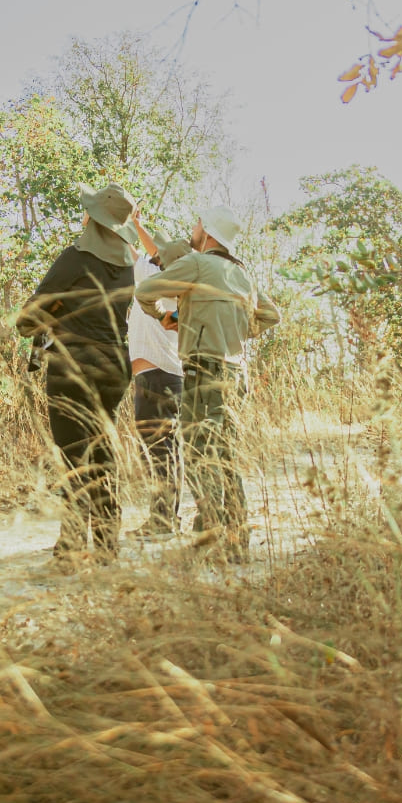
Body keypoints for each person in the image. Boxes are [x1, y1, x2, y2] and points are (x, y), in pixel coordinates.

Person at [134, 206, 280, 563]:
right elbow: (271, 315)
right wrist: (240, 329)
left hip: (204, 370)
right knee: (225, 456)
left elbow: (146, 291)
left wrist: (167, 318)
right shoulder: (242, 273)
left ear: (209, 232)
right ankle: (235, 540)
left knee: (201, 456)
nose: (194, 227)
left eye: (198, 223)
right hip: (236, 375)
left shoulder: (198, 264)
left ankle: (214, 538)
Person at [16, 182, 138, 566]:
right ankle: (106, 545)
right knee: (103, 453)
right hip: (117, 364)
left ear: (93, 219)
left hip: (75, 364)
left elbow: (27, 319)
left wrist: (49, 320)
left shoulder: (75, 257)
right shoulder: (127, 264)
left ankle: (70, 548)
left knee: (73, 457)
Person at [127, 227, 193, 536]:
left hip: (155, 375)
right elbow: (147, 253)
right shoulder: (181, 290)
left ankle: (163, 520)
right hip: (170, 374)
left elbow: (142, 253)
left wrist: (135, 225)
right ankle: (167, 517)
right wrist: (138, 228)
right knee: (168, 448)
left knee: (158, 450)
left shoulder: (151, 278)